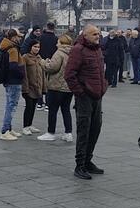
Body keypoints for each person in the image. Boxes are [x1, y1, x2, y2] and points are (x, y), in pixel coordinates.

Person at [64, 25, 108, 179]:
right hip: (85, 97)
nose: (98, 36)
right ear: (86, 35)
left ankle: (88, 160)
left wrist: (104, 85)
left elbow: (100, 71)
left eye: (99, 34)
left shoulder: (97, 49)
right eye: (95, 34)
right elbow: (69, 74)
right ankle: (80, 165)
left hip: (97, 96)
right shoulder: (78, 49)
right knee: (84, 130)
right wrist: (80, 93)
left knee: (96, 128)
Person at [38, 34, 74, 142]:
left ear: (62, 43)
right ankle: (68, 133)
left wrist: (43, 62)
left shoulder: (59, 53)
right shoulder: (73, 53)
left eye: (58, 42)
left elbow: (52, 68)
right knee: (66, 110)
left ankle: (51, 132)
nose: (56, 43)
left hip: (56, 86)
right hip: (69, 87)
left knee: (52, 110)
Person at [0, 29, 25, 140]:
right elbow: (13, 66)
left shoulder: (5, 46)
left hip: (8, 80)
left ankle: (8, 128)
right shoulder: (13, 49)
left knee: (9, 104)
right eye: (18, 36)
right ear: (14, 37)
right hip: (14, 81)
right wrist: (21, 74)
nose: (20, 38)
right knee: (11, 106)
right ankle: (5, 131)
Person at [19, 38, 46, 135]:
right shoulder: (25, 57)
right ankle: (25, 126)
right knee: (29, 106)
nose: (37, 49)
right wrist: (25, 88)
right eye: (35, 47)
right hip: (28, 87)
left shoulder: (39, 58)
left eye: (38, 47)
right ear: (30, 47)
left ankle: (30, 124)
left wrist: (43, 87)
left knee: (33, 106)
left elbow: (42, 73)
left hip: (37, 86)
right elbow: (24, 74)